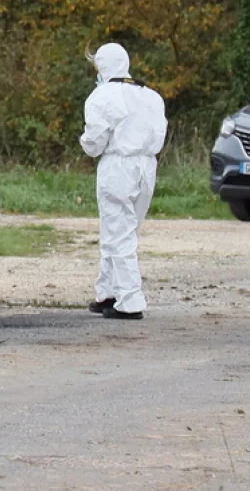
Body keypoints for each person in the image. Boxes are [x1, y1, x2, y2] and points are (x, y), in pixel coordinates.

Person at [79, 42, 167, 320]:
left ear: (103, 67)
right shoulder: (152, 96)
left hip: (119, 165)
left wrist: (85, 143)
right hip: (147, 166)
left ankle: (130, 300)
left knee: (118, 232)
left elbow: (94, 143)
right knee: (123, 231)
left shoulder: (101, 96)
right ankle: (108, 293)